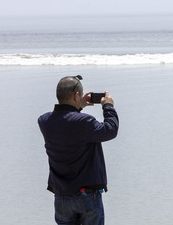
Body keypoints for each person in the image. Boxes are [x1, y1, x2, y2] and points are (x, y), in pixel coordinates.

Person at [38, 75, 119, 225]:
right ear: (76, 95)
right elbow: (110, 130)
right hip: (86, 195)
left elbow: (66, 124)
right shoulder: (84, 122)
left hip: (61, 195)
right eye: (79, 95)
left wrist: (78, 106)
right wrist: (108, 106)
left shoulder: (44, 121)